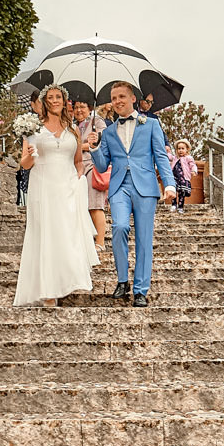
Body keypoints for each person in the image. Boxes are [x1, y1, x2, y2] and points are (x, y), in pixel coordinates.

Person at [86, 80, 176, 306]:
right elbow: (101, 166)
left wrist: (169, 184)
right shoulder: (108, 132)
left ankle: (141, 290)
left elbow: (161, 156)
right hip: (119, 187)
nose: (117, 101)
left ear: (133, 98)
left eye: (121, 96)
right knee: (119, 227)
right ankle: (122, 280)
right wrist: (95, 147)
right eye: (113, 98)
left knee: (144, 238)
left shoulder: (151, 124)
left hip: (145, 187)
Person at [13, 85, 99, 307]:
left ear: (64, 100)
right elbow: (25, 164)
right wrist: (30, 155)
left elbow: (78, 162)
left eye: (58, 97)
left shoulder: (73, 129)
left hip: (67, 188)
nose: (54, 100)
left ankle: (65, 281)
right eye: (50, 97)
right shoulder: (34, 128)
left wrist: (79, 178)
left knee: (66, 235)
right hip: (43, 186)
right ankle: (48, 291)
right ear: (44, 102)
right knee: (46, 235)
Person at [71, 97, 109, 250]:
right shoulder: (73, 125)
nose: (79, 110)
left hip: (92, 166)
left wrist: (79, 147)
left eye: (82, 107)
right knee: (80, 206)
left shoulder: (97, 122)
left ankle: (100, 242)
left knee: (94, 205)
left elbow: (102, 141)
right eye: (76, 107)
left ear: (89, 108)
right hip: (76, 168)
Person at [172, 140, 197, 210]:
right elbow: (169, 157)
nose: (180, 150)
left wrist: (194, 171)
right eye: (179, 148)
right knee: (173, 190)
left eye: (182, 148)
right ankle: (173, 204)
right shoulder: (175, 158)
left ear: (187, 150)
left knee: (182, 192)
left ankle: (180, 207)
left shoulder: (188, 158)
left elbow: (193, 165)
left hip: (183, 178)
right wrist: (167, 151)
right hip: (174, 177)